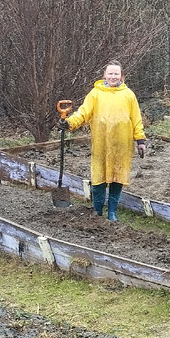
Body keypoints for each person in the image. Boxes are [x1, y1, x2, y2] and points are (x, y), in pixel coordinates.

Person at [58, 62, 147, 221]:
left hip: (122, 144)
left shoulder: (128, 95)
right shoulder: (95, 93)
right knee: (99, 178)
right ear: (104, 75)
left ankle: (112, 212)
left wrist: (140, 140)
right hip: (101, 143)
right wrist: (70, 123)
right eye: (110, 74)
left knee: (118, 177)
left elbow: (136, 120)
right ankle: (97, 212)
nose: (113, 77)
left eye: (116, 74)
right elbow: (83, 113)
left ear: (122, 76)